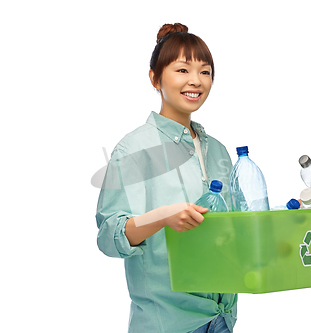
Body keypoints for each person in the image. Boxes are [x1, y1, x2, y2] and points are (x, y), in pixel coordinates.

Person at [96, 23, 237, 333]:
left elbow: (233, 226)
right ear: (155, 78)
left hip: (222, 319)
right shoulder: (135, 149)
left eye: (205, 72)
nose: (195, 82)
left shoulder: (220, 152)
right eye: (182, 70)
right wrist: (163, 216)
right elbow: (109, 236)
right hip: (168, 324)